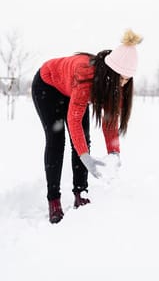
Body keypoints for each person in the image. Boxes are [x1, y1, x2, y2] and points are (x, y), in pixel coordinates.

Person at [31, 29, 142, 223]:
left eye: (127, 80)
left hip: (70, 91)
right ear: (111, 72)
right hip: (47, 86)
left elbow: (109, 121)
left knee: (83, 138)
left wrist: (114, 153)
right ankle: (54, 200)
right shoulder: (87, 75)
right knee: (57, 140)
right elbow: (73, 120)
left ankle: (80, 193)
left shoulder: (113, 85)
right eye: (121, 78)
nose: (123, 84)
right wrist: (86, 158)